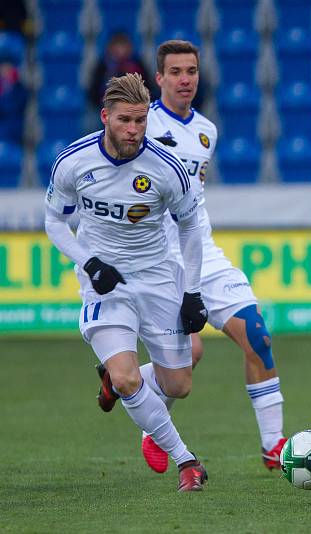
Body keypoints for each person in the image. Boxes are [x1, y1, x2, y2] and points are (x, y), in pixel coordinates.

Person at [44, 73, 210, 492]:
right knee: (127, 378)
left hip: (157, 278)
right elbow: (55, 221)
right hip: (105, 284)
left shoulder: (166, 169)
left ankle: (116, 383)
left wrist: (191, 291)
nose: (134, 130)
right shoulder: (74, 161)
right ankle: (186, 461)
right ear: (105, 117)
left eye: (140, 121)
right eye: (124, 121)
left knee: (179, 385)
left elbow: (191, 229)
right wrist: (90, 262)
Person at [130, 39, 286, 474]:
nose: (185, 79)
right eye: (176, 72)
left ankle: (274, 446)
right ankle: (144, 413)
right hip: (157, 258)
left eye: (192, 71)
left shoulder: (206, 131)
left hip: (203, 251)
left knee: (258, 335)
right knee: (187, 359)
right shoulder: (139, 126)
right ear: (158, 78)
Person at [89, 31, 154, 109]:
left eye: (123, 46)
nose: (120, 50)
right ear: (110, 48)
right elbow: (93, 90)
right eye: (117, 46)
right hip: (107, 107)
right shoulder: (103, 65)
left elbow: (148, 87)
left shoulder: (137, 64)